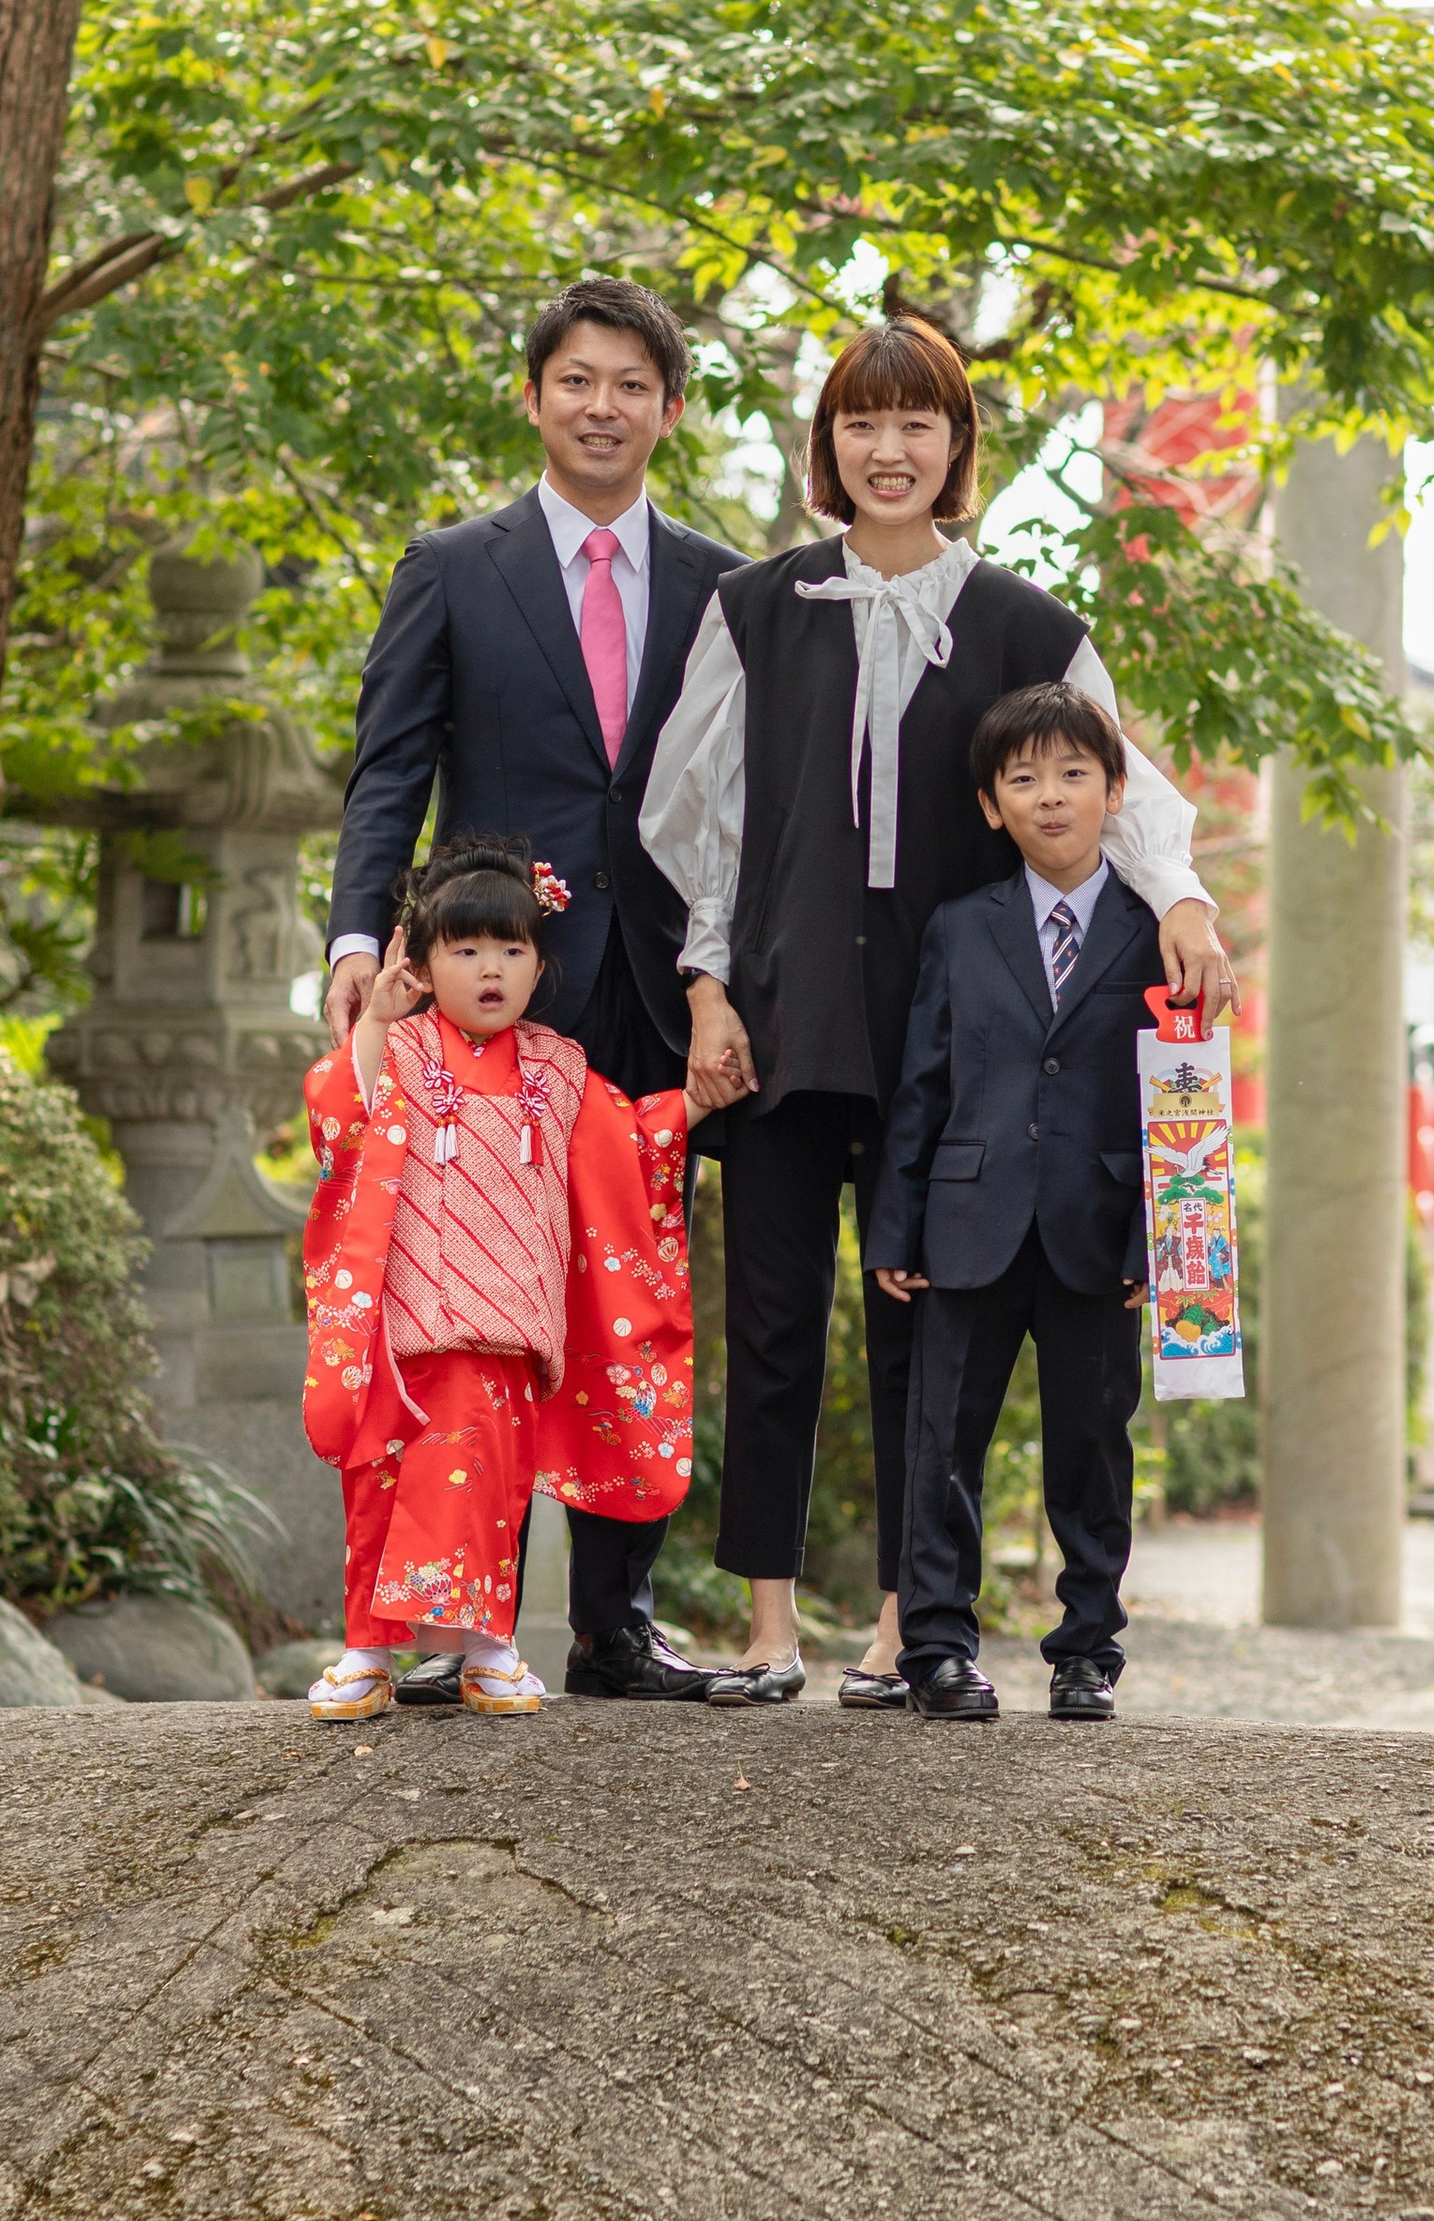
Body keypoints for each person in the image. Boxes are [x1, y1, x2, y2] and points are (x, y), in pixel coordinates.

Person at [642, 312, 1236, 1707]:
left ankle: (916, 1621)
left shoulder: (1031, 625)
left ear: (959, 446)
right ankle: (771, 1623)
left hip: (964, 1044)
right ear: (827, 447)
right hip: (790, 1018)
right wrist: (710, 989)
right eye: (862, 423)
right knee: (776, 1319)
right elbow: (699, 826)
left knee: (926, 1326)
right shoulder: (757, 611)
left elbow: (1121, 793)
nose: (889, 449)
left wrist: (1189, 900)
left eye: (918, 424)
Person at [323, 277, 747, 1707]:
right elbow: (390, 770)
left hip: (658, 986)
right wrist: (355, 949)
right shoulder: (455, 563)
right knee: (475, 1307)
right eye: (577, 380)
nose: (603, 407)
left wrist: (732, 980)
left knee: (632, 1291)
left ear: (670, 410)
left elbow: (744, 797)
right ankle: (462, 1623)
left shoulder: (721, 581)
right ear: (533, 395)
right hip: (490, 989)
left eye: (633, 384)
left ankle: (614, 1629)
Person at [298, 841, 696, 1720]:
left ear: (539, 966)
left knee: (492, 1483)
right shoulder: (398, 1052)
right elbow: (343, 1119)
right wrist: (372, 1022)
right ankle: (368, 1646)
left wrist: (695, 1104)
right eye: (465, 950)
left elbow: (627, 1143)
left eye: (511, 951)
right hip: (405, 1321)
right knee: (382, 1483)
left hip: (508, 1323)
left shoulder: (556, 1070)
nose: (490, 970)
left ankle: (488, 1645)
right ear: (425, 962)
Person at [865, 683, 1162, 1722]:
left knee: (1092, 1450)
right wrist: (893, 1227)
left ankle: (1088, 1652)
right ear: (992, 804)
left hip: (1098, 1231)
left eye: (1073, 773)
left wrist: (1153, 1240)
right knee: (941, 1440)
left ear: (1113, 791)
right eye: (1023, 778)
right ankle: (937, 1647)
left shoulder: (1156, 932)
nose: (1050, 797)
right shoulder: (959, 928)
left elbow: (1176, 1097)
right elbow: (922, 1084)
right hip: (965, 1223)